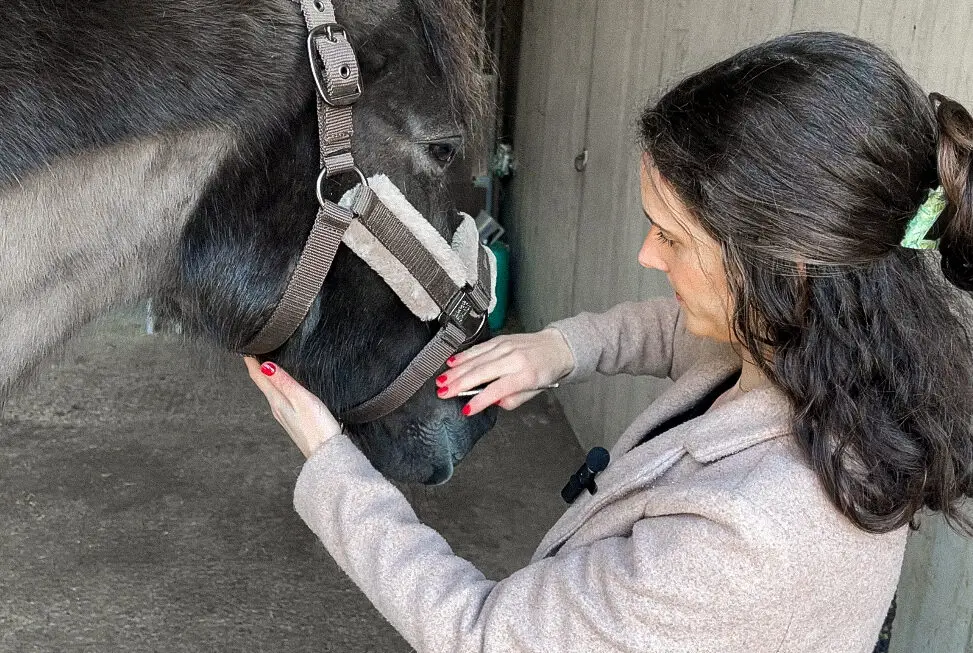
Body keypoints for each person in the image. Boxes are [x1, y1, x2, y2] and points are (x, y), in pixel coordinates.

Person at [245, 31, 973, 652]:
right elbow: (686, 339)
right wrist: (562, 349)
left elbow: (478, 632)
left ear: (788, 264)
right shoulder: (836, 355)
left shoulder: (753, 537)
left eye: (672, 236)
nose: (647, 257)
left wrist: (333, 464)